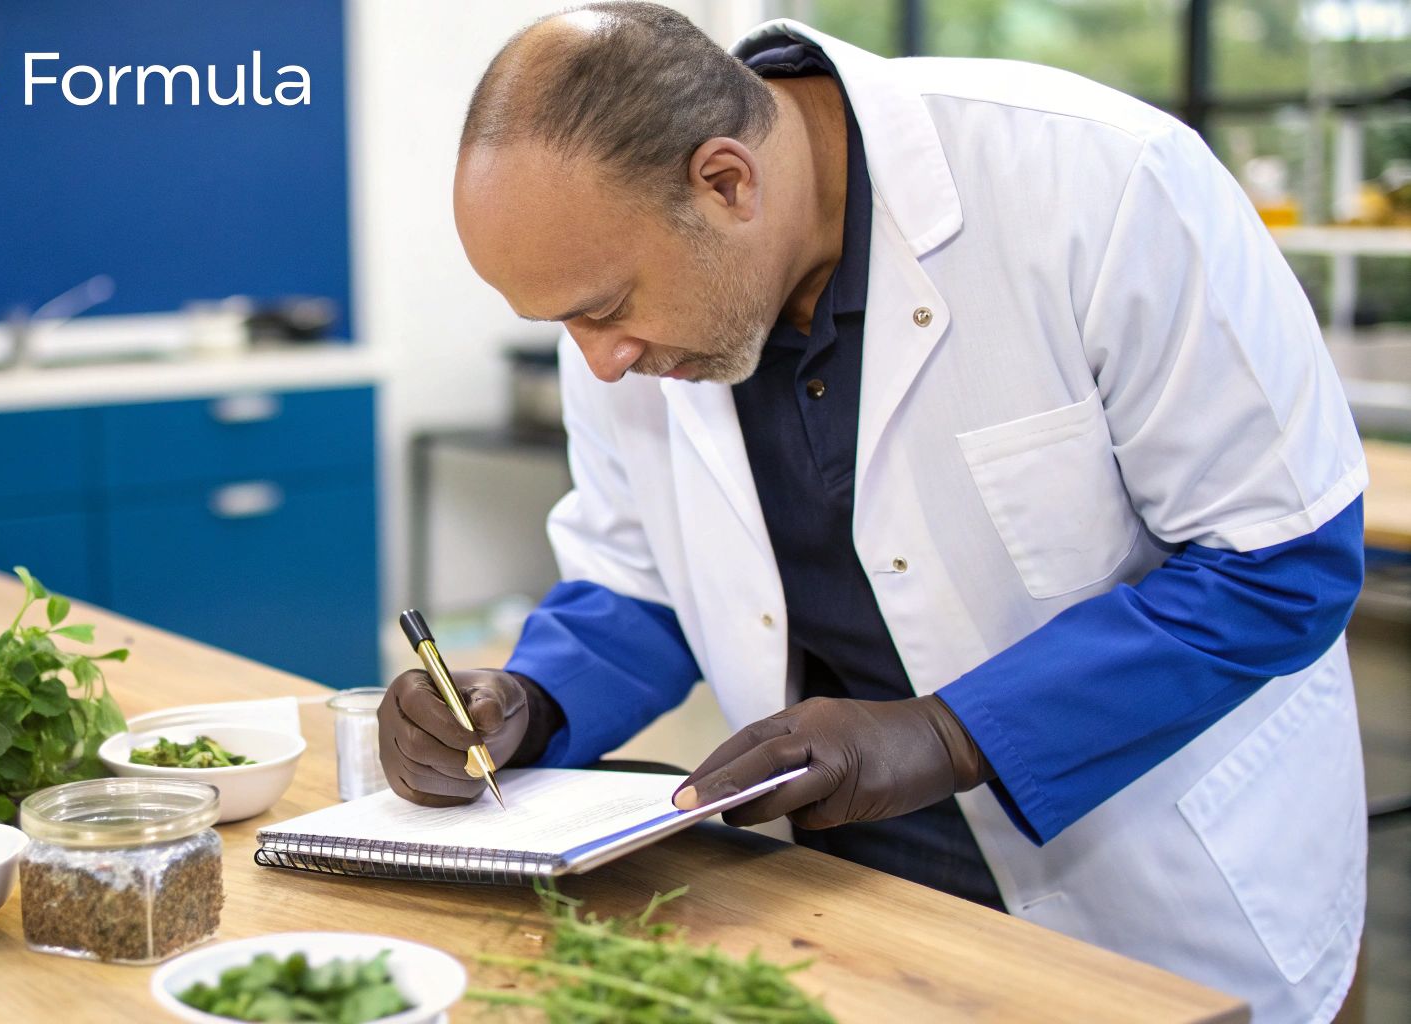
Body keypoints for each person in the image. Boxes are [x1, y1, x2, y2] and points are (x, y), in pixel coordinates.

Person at [376, 5, 1368, 1021]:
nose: (597, 359)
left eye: (605, 308)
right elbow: (644, 577)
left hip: (1146, 866)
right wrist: (531, 698)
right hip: (849, 879)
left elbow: (1280, 560)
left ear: (726, 182)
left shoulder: (1101, 182)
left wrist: (946, 733)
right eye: (563, 322)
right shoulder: (625, 296)